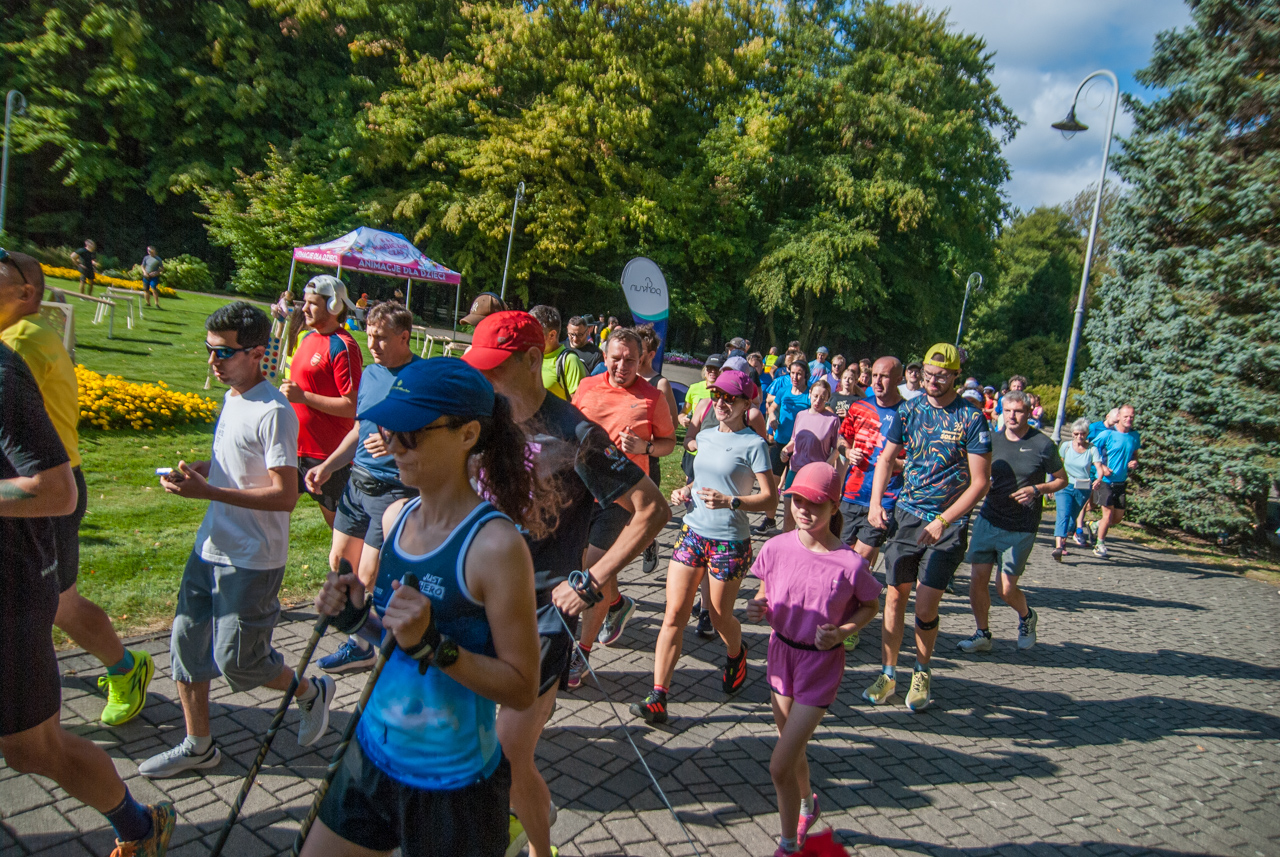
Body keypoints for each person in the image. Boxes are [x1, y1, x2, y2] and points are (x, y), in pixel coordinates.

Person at [301, 358, 547, 857]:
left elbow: (522, 689)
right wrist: (356, 618)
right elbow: (396, 643)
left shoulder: (495, 546)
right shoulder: (396, 517)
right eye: (390, 430)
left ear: (467, 434)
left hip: (453, 786)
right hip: (371, 754)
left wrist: (436, 645)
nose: (391, 444)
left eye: (410, 433)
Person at [462, 310, 666, 857]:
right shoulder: (482, 419)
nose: (485, 378)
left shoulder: (576, 435)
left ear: (533, 360)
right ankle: (533, 830)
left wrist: (592, 579)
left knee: (508, 751)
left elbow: (651, 509)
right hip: (477, 600)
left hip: (543, 614)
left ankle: (538, 848)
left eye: (495, 367)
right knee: (480, 749)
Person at [0, 316, 176, 854]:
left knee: (31, 750)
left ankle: (139, 826)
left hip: (9, 589)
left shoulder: (6, 367)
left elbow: (54, 489)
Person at [141, 302, 333, 778]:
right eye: (210, 351)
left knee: (240, 663)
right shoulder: (232, 398)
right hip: (210, 546)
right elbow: (239, 466)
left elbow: (285, 495)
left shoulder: (275, 412)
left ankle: (310, 692)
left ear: (258, 353)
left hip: (253, 558)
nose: (213, 362)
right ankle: (199, 744)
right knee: (186, 645)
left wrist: (208, 490)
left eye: (224, 353)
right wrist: (207, 472)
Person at [0, 251, 153, 726]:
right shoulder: (21, 335)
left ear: (27, 292)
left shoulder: (20, 341)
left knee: (59, 603)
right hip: (33, 484)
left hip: (44, 490)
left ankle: (127, 668)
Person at [745, 462, 880, 857]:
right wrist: (758, 606)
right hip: (780, 652)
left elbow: (870, 606)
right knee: (793, 747)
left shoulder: (851, 562)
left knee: (779, 764)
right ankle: (808, 804)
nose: (804, 510)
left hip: (819, 665)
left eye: (815, 504)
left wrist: (842, 632)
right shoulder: (775, 546)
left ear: (834, 506)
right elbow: (764, 590)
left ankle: (789, 845)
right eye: (797, 501)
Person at [633, 370, 777, 724]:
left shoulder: (754, 444)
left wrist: (732, 501)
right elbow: (703, 477)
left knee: (718, 616)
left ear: (747, 403)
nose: (721, 403)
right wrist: (688, 490)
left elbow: (771, 499)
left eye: (730, 398)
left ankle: (736, 651)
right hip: (692, 532)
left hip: (730, 541)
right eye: (718, 396)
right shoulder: (707, 436)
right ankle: (658, 695)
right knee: (674, 614)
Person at [863, 343, 991, 711]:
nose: (934, 382)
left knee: (924, 604)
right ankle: (888, 674)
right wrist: (875, 505)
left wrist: (942, 520)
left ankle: (921, 670)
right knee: (893, 596)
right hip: (907, 514)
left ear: (955, 377)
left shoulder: (971, 417)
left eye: (943, 376)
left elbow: (980, 482)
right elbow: (886, 458)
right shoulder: (909, 409)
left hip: (947, 522)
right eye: (929, 375)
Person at [308, 302, 422, 675]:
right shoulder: (371, 374)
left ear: (404, 337)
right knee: (340, 565)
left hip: (393, 490)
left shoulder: (421, 377)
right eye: (369, 335)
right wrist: (327, 465)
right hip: (357, 483)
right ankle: (360, 645)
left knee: (369, 576)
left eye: (382, 337)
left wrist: (397, 441)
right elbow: (360, 429)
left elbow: (437, 436)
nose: (372, 343)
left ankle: (376, 644)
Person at [571, 329, 676, 670]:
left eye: (630, 359)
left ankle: (582, 653)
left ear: (642, 358)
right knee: (584, 562)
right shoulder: (587, 386)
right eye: (616, 358)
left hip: (621, 498)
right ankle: (616, 604)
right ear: (605, 358)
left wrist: (643, 448)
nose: (622, 366)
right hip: (581, 489)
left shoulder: (651, 397)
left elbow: (668, 443)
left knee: (592, 571)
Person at [957, 391, 1066, 654]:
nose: (1012, 416)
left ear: (1029, 412)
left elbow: (1062, 480)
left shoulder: (1043, 444)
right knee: (977, 580)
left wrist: (1037, 489)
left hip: (1021, 526)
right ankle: (982, 633)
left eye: (1018, 411)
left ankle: (1027, 617)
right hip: (989, 517)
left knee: (1005, 589)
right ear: (1000, 412)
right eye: (1007, 411)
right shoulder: (991, 441)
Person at [280, 275, 363, 527]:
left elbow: (351, 407)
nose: (303, 308)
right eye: (305, 302)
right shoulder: (307, 338)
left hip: (328, 456)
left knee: (342, 530)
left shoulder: (343, 346)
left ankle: (355, 567)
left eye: (312, 303)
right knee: (271, 516)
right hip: (293, 449)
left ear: (334, 307)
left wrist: (303, 397)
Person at [837, 357, 904, 569]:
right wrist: (847, 452)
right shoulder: (859, 407)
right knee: (839, 555)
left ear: (898, 379)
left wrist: (896, 465)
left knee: (857, 563)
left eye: (884, 376)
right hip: (852, 493)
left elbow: (917, 461)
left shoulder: (910, 414)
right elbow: (841, 438)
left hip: (886, 498)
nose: (877, 381)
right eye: (875, 375)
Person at [634, 323, 679, 573]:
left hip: (647, 457)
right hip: (621, 455)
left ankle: (648, 542)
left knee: (643, 512)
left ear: (651, 354)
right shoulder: (624, 377)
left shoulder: (659, 384)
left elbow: (670, 424)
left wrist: (647, 442)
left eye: (639, 351)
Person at [759, 360, 811, 534]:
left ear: (805, 376)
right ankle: (770, 519)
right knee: (773, 483)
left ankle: (792, 526)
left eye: (799, 374)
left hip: (800, 446)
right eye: (792, 373)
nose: (795, 377)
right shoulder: (784, 391)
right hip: (780, 442)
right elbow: (772, 407)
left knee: (795, 487)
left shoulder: (810, 395)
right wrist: (772, 416)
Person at [779, 379, 839, 531]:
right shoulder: (801, 415)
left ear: (827, 399)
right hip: (795, 470)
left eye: (822, 397)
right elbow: (794, 440)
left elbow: (837, 449)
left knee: (807, 518)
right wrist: (785, 451)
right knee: (788, 515)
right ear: (809, 394)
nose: (818, 400)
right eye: (815, 395)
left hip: (814, 475)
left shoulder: (832, 420)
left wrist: (826, 466)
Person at [1092, 404, 1141, 558]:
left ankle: (1095, 525)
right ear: (1118, 417)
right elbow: (1091, 449)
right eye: (1126, 416)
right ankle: (1099, 545)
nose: (1129, 419)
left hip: (1120, 481)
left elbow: (1134, 453)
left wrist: (1133, 462)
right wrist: (1101, 467)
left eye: (1131, 417)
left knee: (1117, 518)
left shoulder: (1134, 436)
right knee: (1107, 515)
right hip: (1105, 480)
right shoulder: (1107, 434)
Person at [1052, 418, 1102, 561]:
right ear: (1072, 434)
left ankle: (1064, 541)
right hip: (1064, 485)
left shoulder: (1092, 449)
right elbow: (1057, 466)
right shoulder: (1066, 446)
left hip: (1083, 488)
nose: (1079, 437)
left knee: (1072, 518)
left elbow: (1099, 467)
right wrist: (1052, 484)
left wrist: (1098, 479)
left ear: (1086, 434)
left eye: (1082, 434)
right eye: (1076, 433)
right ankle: (1058, 547)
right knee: (1063, 514)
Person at [529, 305, 587, 401]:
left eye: (534, 334)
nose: (529, 337)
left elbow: (578, 406)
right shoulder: (531, 356)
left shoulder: (569, 361)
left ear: (552, 335)